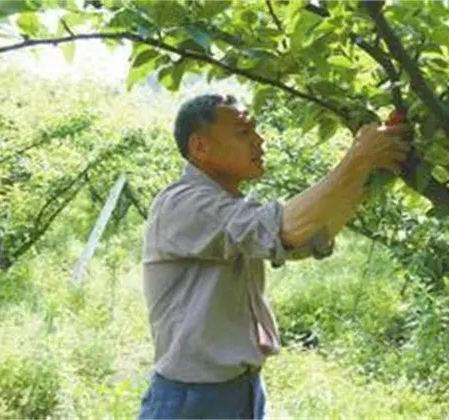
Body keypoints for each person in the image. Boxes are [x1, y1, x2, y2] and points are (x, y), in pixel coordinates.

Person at [138, 94, 410, 419]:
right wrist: (357, 159)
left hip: (241, 391)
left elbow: (309, 235)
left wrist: (367, 166)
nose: (259, 139)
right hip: (193, 401)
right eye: (243, 132)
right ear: (200, 147)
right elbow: (285, 228)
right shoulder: (184, 204)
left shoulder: (225, 204)